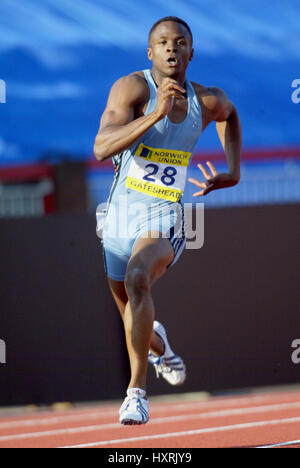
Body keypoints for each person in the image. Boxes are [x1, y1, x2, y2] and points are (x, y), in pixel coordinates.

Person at [93, 16, 242, 425]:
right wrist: (154, 115)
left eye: (180, 42)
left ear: (192, 52)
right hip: (120, 218)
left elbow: (230, 115)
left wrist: (233, 170)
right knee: (130, 314)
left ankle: (136, 393)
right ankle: (162, 348)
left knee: (139, 279)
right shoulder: (132, 89)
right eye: (162, 43)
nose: (172, 48)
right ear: (151, 52)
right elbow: (101, 147)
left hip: (165, 215)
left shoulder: (206, 100)